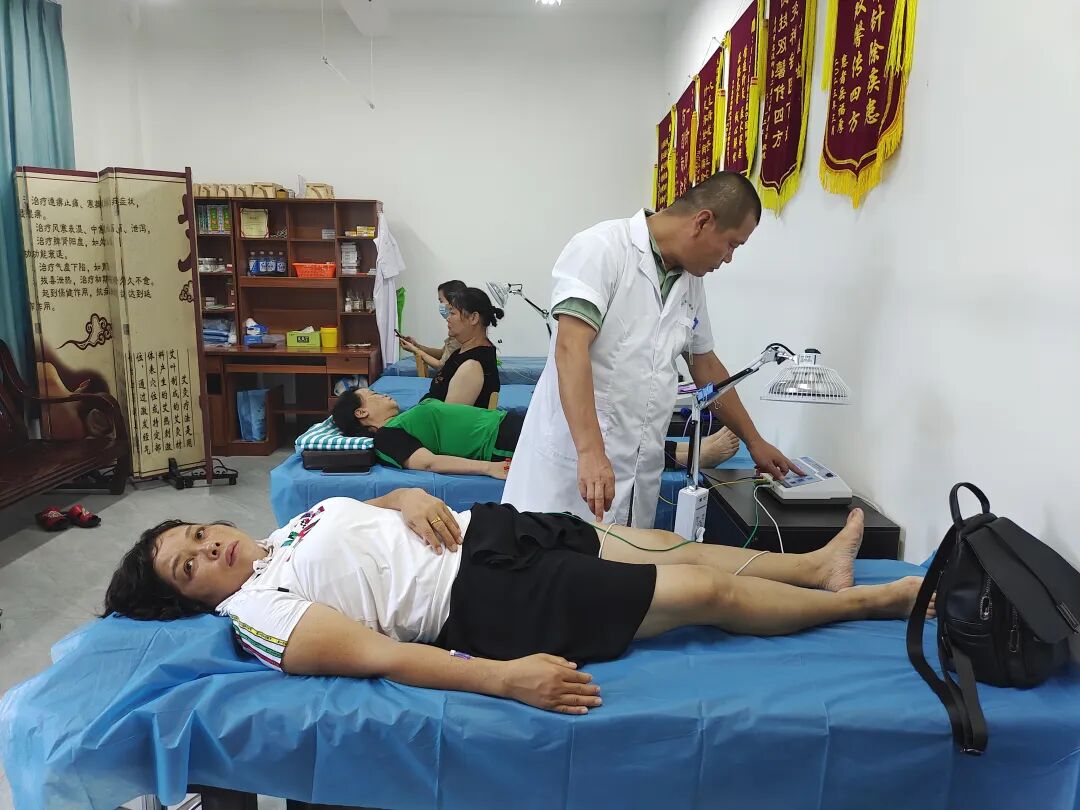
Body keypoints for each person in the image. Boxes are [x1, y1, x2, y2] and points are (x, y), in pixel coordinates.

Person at [103, 493, 928, 715]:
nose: (208, 549)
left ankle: (814, 567)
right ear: (189, 601)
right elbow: (383, 655)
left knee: (662, 543)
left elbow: (368, 521)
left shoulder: (283, 533)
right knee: (702, 593)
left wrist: (404, 495)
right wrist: (501, 678)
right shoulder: (258, 611)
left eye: (197, 534)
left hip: (490, 532)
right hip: (486, 596)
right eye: (187, 567)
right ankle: (876, 603)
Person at [503, 171, 803, 528]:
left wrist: (754, 441)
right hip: (571, 467)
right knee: (555, 554)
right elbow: (570, 348)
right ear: (703, 222)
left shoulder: (690, 282)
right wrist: (590, 450)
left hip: (637, 476)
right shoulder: (601, 248)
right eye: (731, 245)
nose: (728, 259)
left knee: (623, 559)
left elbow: (705, 364)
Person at [330, 386, 742, 479]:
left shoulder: (400, 421)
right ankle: (687, 456)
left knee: (600, 424)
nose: (384, 395)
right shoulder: (386, 436)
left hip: (507, 424)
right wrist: (487, 469)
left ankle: (680, 444)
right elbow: (428, 463)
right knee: (597, 444)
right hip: (501, 442)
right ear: (363, 413)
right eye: (374, 395)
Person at [416, 287, 503, 409]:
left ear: (473, 318)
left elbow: (448, 417)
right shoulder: (463, 352)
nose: (448, 318)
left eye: (452, 313)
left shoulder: (472, 367)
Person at [398, 279, 467, 372]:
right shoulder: (456, 328)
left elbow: (442, 366)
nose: (448, 319)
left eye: (441, 301)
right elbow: (443, 353)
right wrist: (417, 346)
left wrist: (415, 350)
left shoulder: (461, 332)